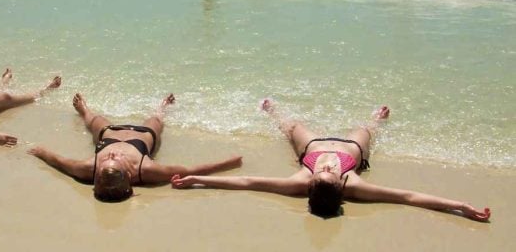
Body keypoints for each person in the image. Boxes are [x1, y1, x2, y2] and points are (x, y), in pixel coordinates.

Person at [172, 99, 491, 222]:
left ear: (310, 183)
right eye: (329, 175)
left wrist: (198, 179)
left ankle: (273, 111)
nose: (325, 169)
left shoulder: (300, 182)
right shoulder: (354, 184)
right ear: (341, 185)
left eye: (321, 175)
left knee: (291, 127)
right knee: (367, 129)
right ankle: (377, 119)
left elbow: (246, 183)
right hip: (350, 148)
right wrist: (459, 205)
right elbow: (408, 197)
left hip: (312, 145)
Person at [28, 93, 243, 202]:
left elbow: (59, 161)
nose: (112, 154)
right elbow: (190, 170)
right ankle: (162, 107)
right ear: (129, 176)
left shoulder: (87, 168)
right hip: (141, 136)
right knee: (156, 122)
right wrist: (229, 162)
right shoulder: (146, 171)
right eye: (115, 160)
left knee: (95, 122)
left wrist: (40, 151)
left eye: (106, 159)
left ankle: (84, 110)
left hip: (109, 134)